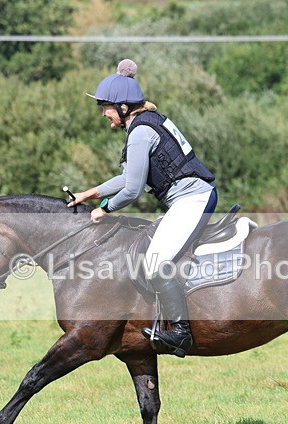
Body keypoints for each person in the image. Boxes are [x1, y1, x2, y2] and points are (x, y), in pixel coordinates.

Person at [68, 59, 217, 357]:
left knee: (154, 263)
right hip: (191, 197)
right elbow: (127, 177)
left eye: (106, 107)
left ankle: (180, 333)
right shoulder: (147, 122)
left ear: (123, 107)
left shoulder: (139, 132)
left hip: (193, 200)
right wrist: (90, 193)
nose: (103, 114)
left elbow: (133, 190)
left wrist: (105, 209)